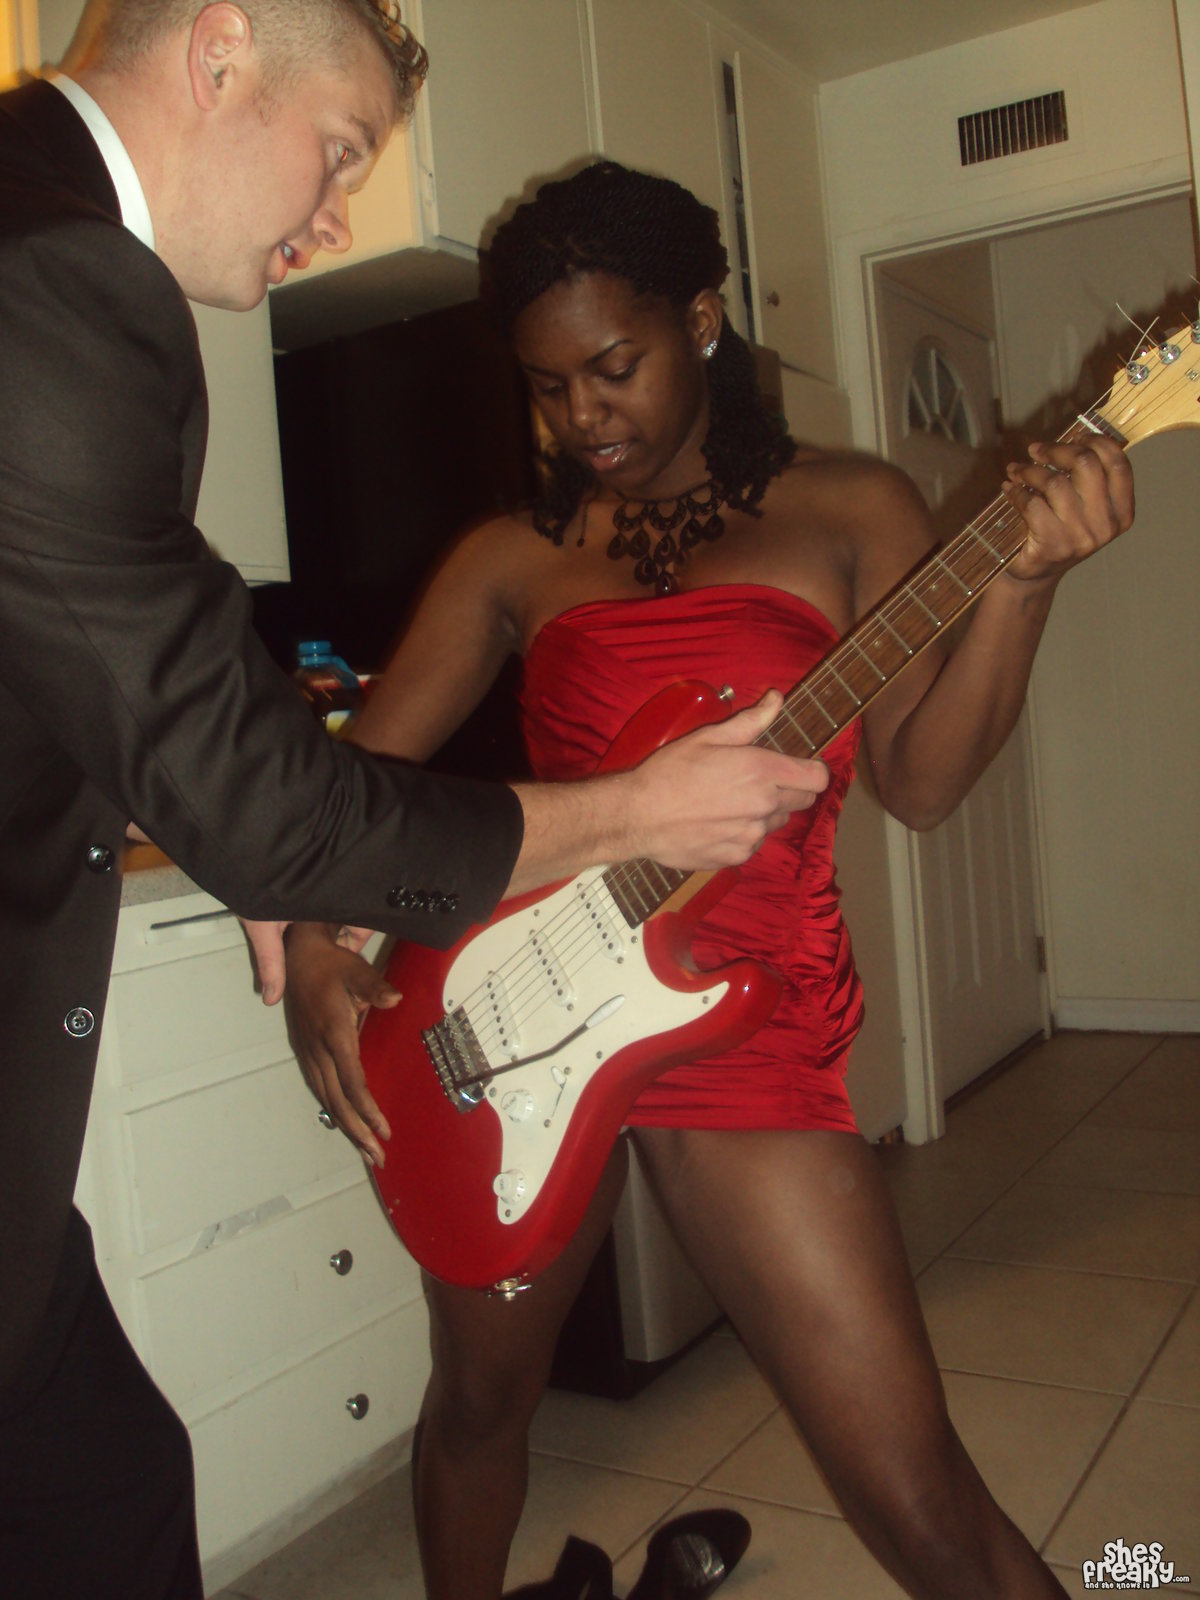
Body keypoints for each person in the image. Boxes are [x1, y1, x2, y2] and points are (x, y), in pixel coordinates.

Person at [0, 9, 826, 1594]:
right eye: (340, 154)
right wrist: (638, 812)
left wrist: (254, 834)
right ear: (220, 50)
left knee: (106, 1484)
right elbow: (273, 806)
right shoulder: (58, 280)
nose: (334, 221)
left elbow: (128, 671)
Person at [281, 161, 1135, 1600]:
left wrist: (1026, 584)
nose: (581, 417)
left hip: (752, 1028)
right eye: (547, 386)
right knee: (481, 1406)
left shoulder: (852, 506)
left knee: (923, 1502)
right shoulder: (512, 554)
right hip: (508, 1016)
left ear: (701, 318)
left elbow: (922, 782)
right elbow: (343, 789)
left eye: (613, 367)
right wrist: (315, 944)